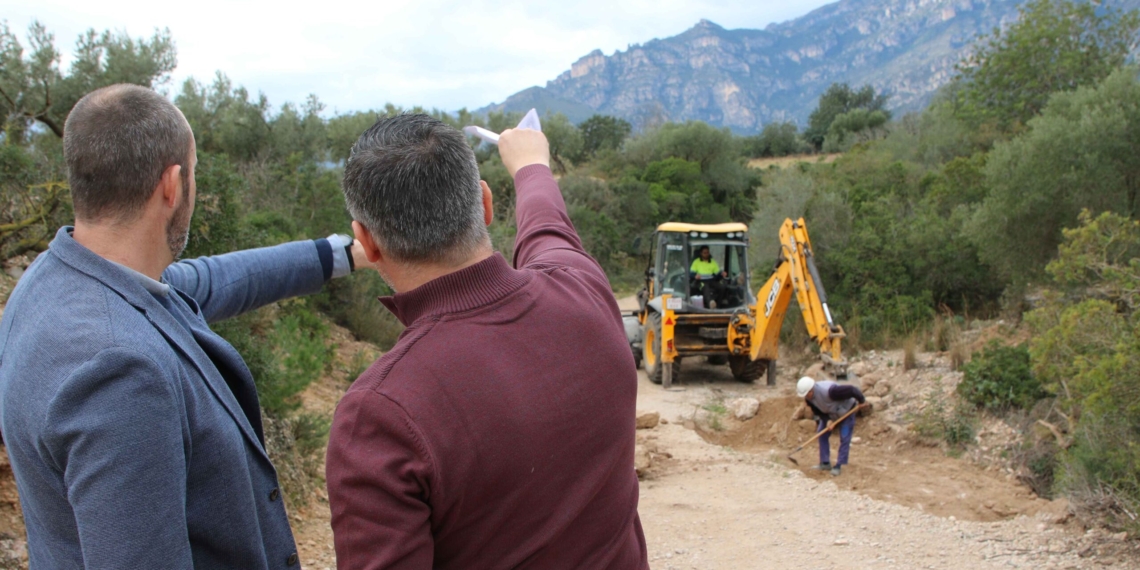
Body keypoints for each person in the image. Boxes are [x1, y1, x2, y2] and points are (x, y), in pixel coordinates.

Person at [0, 84, 366, 568]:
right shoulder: (119, 373)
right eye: (194, 173)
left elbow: (216, 279)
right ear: (173, 185)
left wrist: (346, 254)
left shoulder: (51, 282)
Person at [326, 115, 648, 569]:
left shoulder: (379, 413)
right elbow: (548, 227)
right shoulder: (584, 292)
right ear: (484, 203)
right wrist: (531, 166)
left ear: (366, 242)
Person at [797, 376, 866, 476]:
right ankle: (825, 462)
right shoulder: (809, 399)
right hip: (831, 414)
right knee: (822, 433)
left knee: (845, 437)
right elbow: (818, 412)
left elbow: (852, 390)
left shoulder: (831, 392)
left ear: (811, 389)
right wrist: (827, 420)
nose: (807, 396)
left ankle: (839, 465)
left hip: (847, 411)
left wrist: (862, 400)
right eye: (805, 395)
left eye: (808, 393)